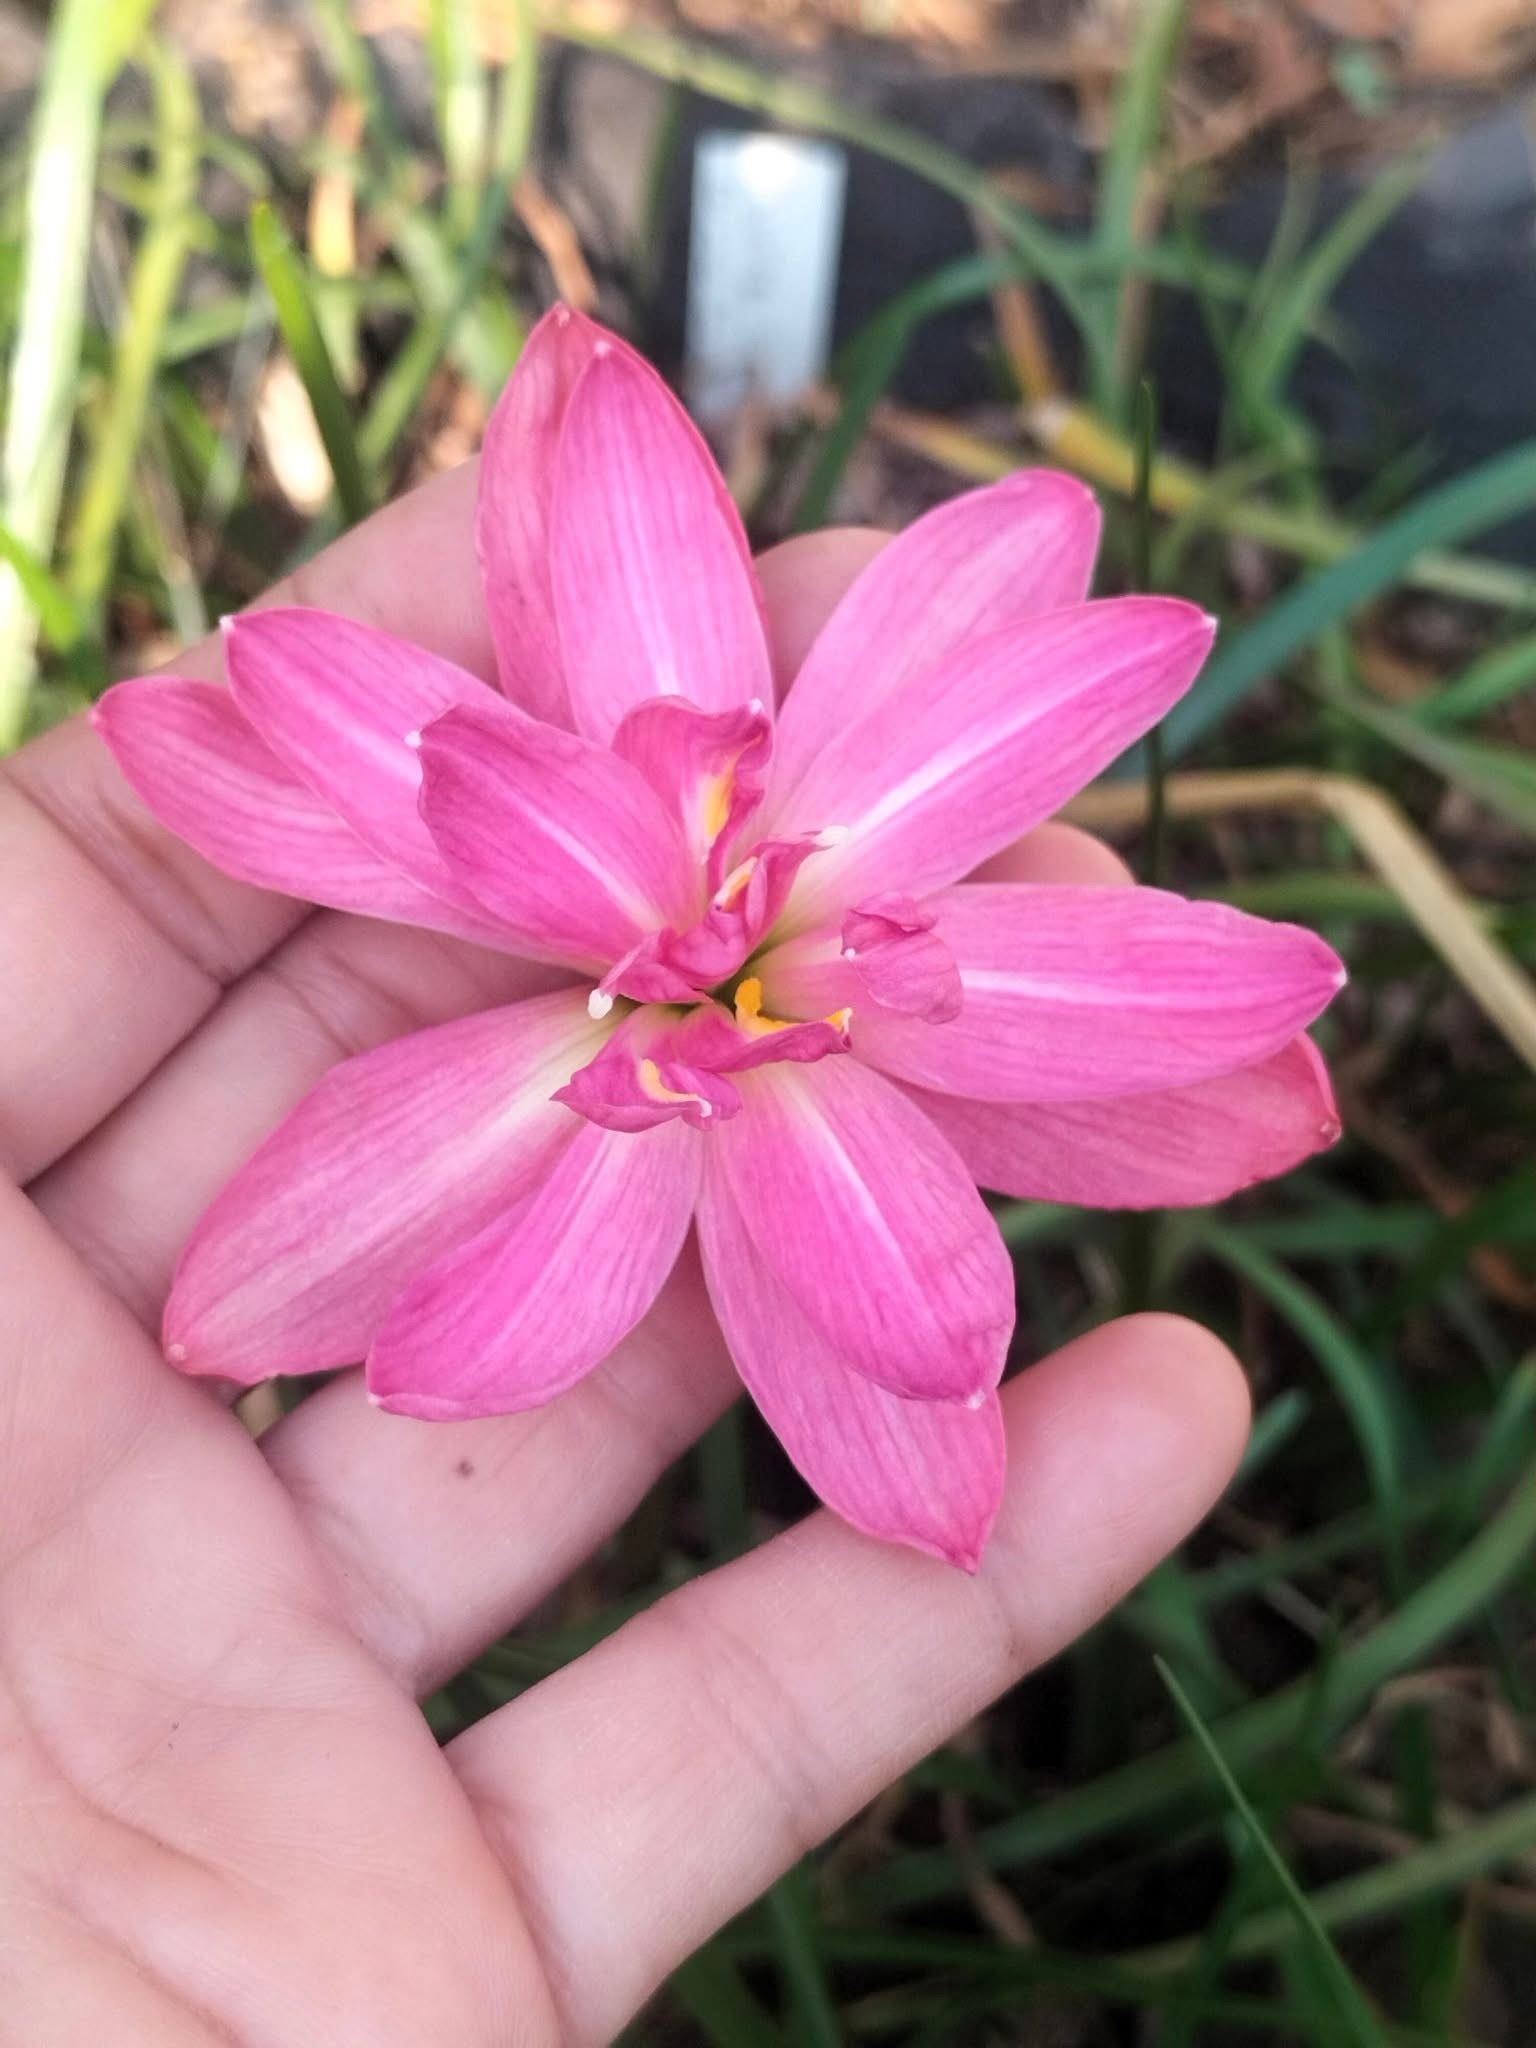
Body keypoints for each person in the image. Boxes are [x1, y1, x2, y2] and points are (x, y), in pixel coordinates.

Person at [0, 458, 1250, 2044]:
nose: (721, 970)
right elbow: (276, 1284)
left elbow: (926, 1353)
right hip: (591, 991)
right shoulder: (557, 863)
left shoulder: (852, 1034)